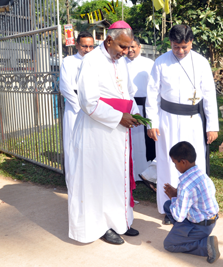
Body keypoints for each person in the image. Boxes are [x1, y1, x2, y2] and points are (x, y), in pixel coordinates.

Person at [67, 21, 140, 245]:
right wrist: (119, 116)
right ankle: (100, 226)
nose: (126, 52)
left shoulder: (121, 61)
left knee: (116, 176)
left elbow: (127, 92)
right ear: (109, 41)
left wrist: (134, 112)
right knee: (98, 178)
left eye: (128, 48)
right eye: (122, 47)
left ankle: (120, 222)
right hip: (96, 131)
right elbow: (88, 102)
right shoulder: (91, 61)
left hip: (118, 132)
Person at [146, 24, 219, 223]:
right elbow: (152, 95)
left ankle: (195, 206)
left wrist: (212, 125)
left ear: (191, 43)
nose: (180, 51)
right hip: (167, 120)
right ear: (170, 43)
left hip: (193, 120)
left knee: (194, 163)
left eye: (184, 47)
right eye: (176, 46)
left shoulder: (202, 62)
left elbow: (210, 96)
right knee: (167, 163)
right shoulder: (160, 62)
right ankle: (169, 208)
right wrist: (151, 123)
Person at [163, 141, 220, 264]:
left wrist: (173, 196)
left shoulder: (185, 185)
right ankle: (183, 233)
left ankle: (205, 245)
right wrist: (177, 194)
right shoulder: (201, 174)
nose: (175, 167)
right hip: (209, 219)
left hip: (199, 226)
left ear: (183, 162)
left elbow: (179, 216)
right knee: (167, 206)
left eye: (175, 163)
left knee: (169, 244)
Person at [59, 31, 94, 184]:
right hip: (75, 108)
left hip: (93, 108)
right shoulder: (68, 61)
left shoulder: (96, 62)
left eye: (91, 46)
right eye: (84, 46)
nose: (88, 50)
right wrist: (80, 107)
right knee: (72, 144)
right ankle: (72, 181)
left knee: (90, 144)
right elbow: (65, 87)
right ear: (77, 45)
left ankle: (89, 181)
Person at [125, 36, 157, 185]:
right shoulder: (119, 63)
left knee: (146, 142)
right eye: (127, 47)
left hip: (145, 106)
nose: (130, 50)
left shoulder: (149, 64)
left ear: (139, 47)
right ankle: (130, 172)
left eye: (133, 47)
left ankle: (146, 173)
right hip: (126, 107)